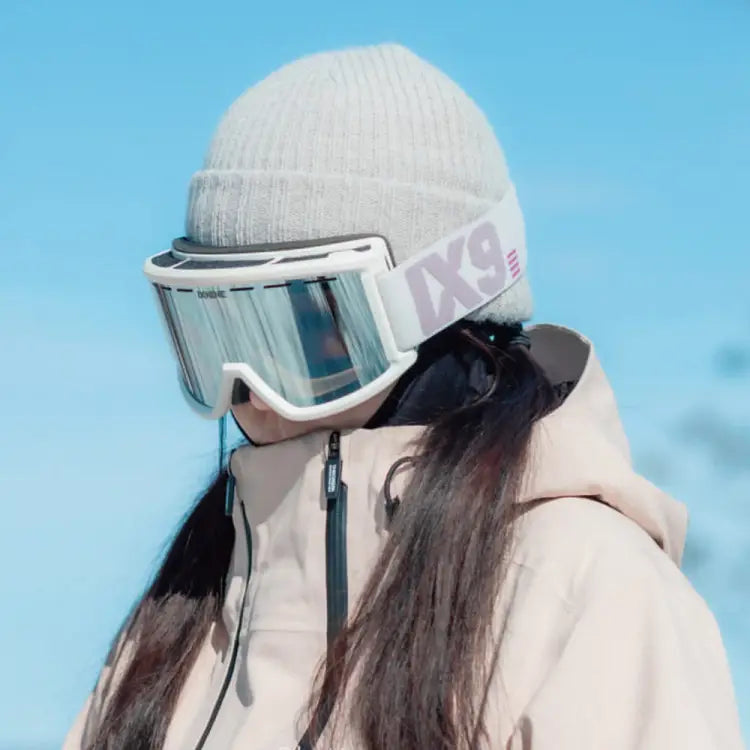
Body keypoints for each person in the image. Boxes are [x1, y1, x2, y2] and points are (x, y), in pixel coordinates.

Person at [63, 44, 744, 750]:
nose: (251, 393)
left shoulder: (582, 596)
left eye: (303, 332)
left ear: (430, 308)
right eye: (214, 332)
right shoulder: (182, 620)